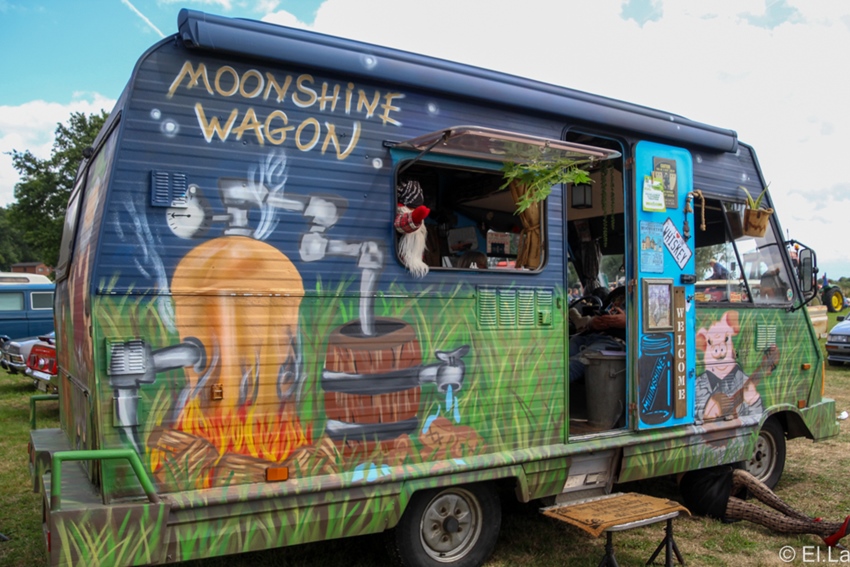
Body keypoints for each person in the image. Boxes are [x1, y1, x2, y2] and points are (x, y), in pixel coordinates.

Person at [679, 465, 850, 548]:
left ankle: (805, 519)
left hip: (713, 476)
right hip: (698, 492)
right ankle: (829, 528)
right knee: (758, 513)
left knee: (742, 475)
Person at [568, 286, 626, 383]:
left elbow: (651, 327)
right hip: (591, 335)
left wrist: (627, 322)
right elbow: (601, 312)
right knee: (557, 357)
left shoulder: (647, 295)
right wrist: (593, 323)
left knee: (573, 365)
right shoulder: (619, 292)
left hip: (616, 342)